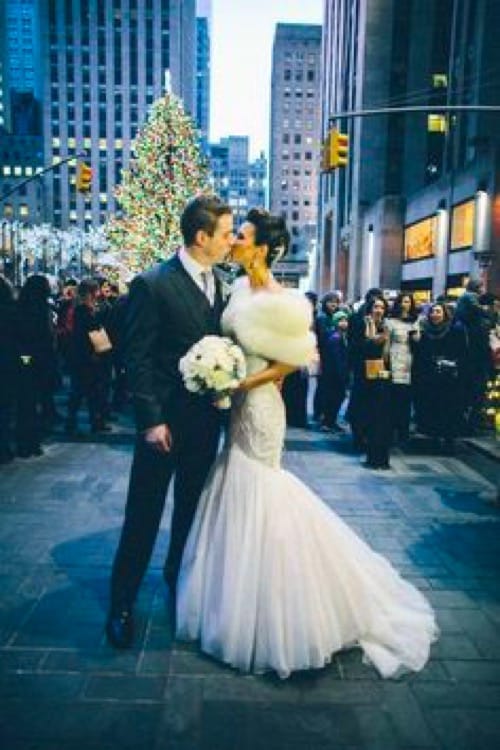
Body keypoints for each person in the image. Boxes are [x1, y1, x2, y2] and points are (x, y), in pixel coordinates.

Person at [176, 209, 438, 679]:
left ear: (264, 249)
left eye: (243, 236)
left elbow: (288, 364)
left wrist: (241, 383)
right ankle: (235, 596)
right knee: (234, 480)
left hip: (259, 406)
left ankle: (278, 602)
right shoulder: (236, 289)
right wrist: (218, 371)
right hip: (233, 406)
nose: (234, 241)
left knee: (261, 484)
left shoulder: (286, 301)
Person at [106, 195, 234, 649]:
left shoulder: (223, 284)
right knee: (143, 514)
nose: (231, 241)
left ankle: (177, 580)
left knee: (190, 512)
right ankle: (122, 602)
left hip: (205, 424)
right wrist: (151, 421)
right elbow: (137, 358)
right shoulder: (153, 283)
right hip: (163, 426)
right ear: (202, 236)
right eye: (225, 233)